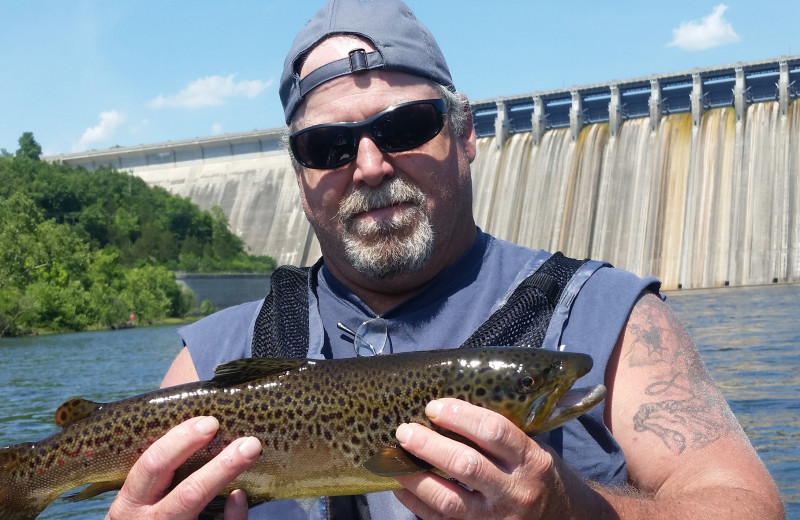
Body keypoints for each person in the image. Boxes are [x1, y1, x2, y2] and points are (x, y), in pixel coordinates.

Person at [106, 1, 785, 519]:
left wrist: (575, 510)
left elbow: (746, 505)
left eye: (403, 128)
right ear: (300, 174)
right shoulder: (212, 356)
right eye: (328, 147)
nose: (369, 166)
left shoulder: (610, 321)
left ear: (465, 135)